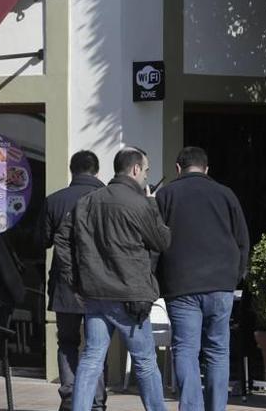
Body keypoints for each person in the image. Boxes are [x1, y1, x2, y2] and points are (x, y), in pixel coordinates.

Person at [62, 146, 171, 411]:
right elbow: (163, 241)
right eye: (146, 170)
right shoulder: (139, 203)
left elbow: (63, 240)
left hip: (95, 294)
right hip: (129, 296)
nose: (146, 176)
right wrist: (152, 203)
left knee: (91, 359)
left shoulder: (87, 201)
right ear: (135, 169)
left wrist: (75, 282)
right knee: (145, 361)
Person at [155, 146, 249, 411]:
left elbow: (154, 243)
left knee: (186, 350)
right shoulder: (225, 194)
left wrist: (157, 280)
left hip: (181, 285)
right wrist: (236, 276)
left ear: (177, 168)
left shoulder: (165, 195)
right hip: (221, 285)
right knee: (218, 351)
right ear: (207, 168)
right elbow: (242, 239)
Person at [38, 150, 107, 411]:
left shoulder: (55, 200)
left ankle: (69, 396)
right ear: (96, 171)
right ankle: (97, 401)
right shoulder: (107, 199)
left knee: (67, 341)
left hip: (65, 283)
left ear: (71, 170)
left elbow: (42, 240)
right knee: (97, 344)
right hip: (100, 283)